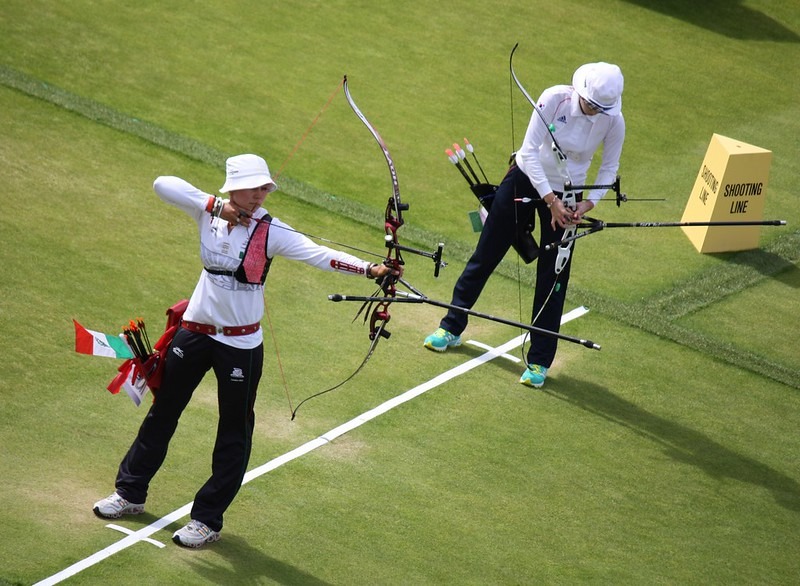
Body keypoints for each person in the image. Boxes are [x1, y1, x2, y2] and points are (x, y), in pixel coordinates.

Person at [93, 153, 398, 548]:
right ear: (233, 187)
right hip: (195, 333)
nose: (260, 195)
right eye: (254, 187)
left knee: (234, 431)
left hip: (240, 344)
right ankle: (129, 493)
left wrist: (371, 269)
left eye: (264, 188)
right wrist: (215, 206)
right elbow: (161, 183)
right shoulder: (209, 212)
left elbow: (318, 253)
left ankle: (207, 519)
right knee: (163, 411)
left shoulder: (270, 230)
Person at [424, 62, 625, 388]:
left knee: (553, 276)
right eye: (589, 104)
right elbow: (529, 153)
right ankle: (451, 324)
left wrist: (586, 204)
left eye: (599, 108)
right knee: (486, 253)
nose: (592, 111)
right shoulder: (553, 99)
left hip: (569, 194)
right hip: (527, 180)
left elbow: (609, 168)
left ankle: (539, 361)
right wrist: (550, 201)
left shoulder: (614, 120)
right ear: (580, 91)